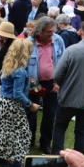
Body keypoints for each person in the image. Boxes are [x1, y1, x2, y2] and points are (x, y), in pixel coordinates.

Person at [0, 39, 39, 167]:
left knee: (2, 130)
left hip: (1, 100)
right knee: (19, 132)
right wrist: (30, 105)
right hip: (11, 104)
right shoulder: (20, 70)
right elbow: (17, 93)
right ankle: (11, 160)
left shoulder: (8, 64)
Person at [26, 17, 65, 153]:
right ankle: (28, 139)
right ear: (39, 31)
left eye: (52, 31)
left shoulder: (58, 40)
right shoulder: (29, 43)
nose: (51, 35)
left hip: (52, 83)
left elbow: (63, 63)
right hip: (33, 82)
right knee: (31, 112)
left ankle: (45, 142)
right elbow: (22, 65)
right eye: (48, 32)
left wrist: (58, 82)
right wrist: (31, 81)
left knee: (50, 114)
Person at [52, 21, 84, 154]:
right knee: (82, 131)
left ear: (80, 32)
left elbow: (58, 74)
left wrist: (61, 84)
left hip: (68, 96)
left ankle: (56, 157)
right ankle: (79, 161)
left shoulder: (71, 50)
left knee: (60, 127)